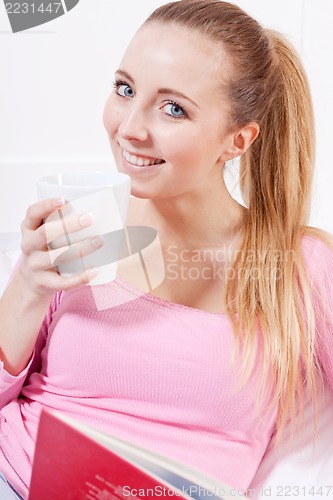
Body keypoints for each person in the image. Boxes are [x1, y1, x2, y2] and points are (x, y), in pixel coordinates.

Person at [1, 0, 333, 498]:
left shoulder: (296, 266)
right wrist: (28, 287)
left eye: (173, 107)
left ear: (238, 141)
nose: (129, 127)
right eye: (124, 89)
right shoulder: (87, 224)